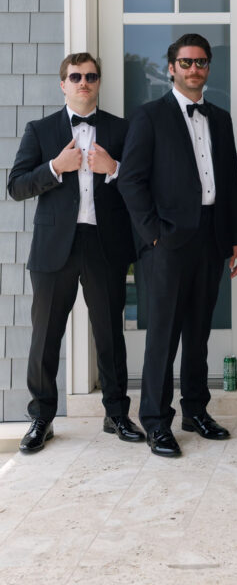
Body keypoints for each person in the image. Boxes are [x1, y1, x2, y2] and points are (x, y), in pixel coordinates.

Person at [118, 33, 237, 458]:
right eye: (186, 62)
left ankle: (196, 411)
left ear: (208, 68)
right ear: (172, 67)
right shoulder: (149, 116)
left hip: (211, 239)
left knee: (198, 334)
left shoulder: (222, 119)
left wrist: (235, 240)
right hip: (167, 242)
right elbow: (131, 179)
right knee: (163, 335)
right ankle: (155, 420)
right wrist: (152, 233)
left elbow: (228, 183)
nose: (195, 69)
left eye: (202, 62)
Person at [8, 52, 143, 454]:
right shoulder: (40, 129)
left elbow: (139, 184)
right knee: (46, 335)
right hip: (54, 249)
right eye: (75, 76)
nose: (83, 82)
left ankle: (116, 413)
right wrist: (55, 166)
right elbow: (16, 186)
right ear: (62, 83)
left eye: (90, 76)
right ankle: (41, 418)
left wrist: (113, 168)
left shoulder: (122, 129)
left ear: (98, 82)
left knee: (109, 335)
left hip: (105, 245)